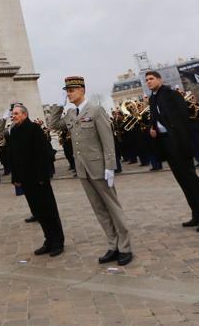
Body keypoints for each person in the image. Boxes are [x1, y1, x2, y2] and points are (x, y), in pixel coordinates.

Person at [47, 77, 132, 265]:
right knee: (99, 210)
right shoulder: (70, 113)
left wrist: (110, 166)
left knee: (113, 207)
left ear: (82, 90)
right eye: (66, 91)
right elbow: (53, 124)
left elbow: (107, 139)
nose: (68, 94)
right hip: (83, 170)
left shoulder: (95, 110)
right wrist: (58, 106)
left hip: (100, 168)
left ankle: (125, 247)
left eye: (71, 90)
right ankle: (113, 245)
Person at [145, 71, 199, 232]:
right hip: (166, 143)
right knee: (183, 182)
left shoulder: (171, 94)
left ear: (159, 79)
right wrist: (153, 127)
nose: (149, 82)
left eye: (151, 79)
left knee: (192, 181)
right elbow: (156, 117)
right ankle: (197, 215)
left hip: (179, 143)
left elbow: (182, 118)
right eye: (147, 80)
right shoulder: (153, 98)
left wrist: (181, 141)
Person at [7, 104, 64, 257]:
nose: (14, 116)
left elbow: (43, 154)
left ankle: (58, 241)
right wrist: (15, 177)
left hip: (39, 178)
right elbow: (13, 156)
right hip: (26, 180)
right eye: (13, 114)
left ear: (25, 114)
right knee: (38, 211)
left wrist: (42, 176)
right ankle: (48, 240)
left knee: (49, 210)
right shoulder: (14, 131)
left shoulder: (34, 128)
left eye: (17, 113)